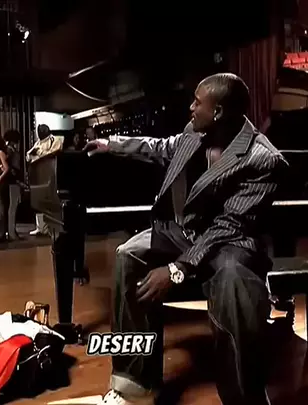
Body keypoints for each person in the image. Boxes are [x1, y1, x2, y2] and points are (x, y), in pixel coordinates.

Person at [86, 73, 288, 405]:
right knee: (128, 254)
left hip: (232, 244)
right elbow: (162, 147)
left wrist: (177, 269)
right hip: (186, 233)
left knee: (233, 280)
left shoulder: (263, 158)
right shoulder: (195, 132)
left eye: (197, 102)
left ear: (218, 112)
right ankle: (134, 384)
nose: (191, 107)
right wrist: (114, 144)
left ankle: (243, 397)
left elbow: (229, 225)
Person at [27, 124, 64, 235]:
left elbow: (55, 151)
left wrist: (39, 154)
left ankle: (52, 226)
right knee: (38, 199)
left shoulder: (55, 139)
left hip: (51, 173)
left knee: (51, 200)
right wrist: (32, 155)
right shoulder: (38, 143)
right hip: (38, 173)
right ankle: (40, 227)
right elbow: (28, 156)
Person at [3, 129, 23, 240]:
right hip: (13, 182)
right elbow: (11, 166)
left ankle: (11, 231)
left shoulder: (9, 149)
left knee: (11, 207)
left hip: (11, 181)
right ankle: (11, 232)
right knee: (12, 208)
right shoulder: (10, 150)